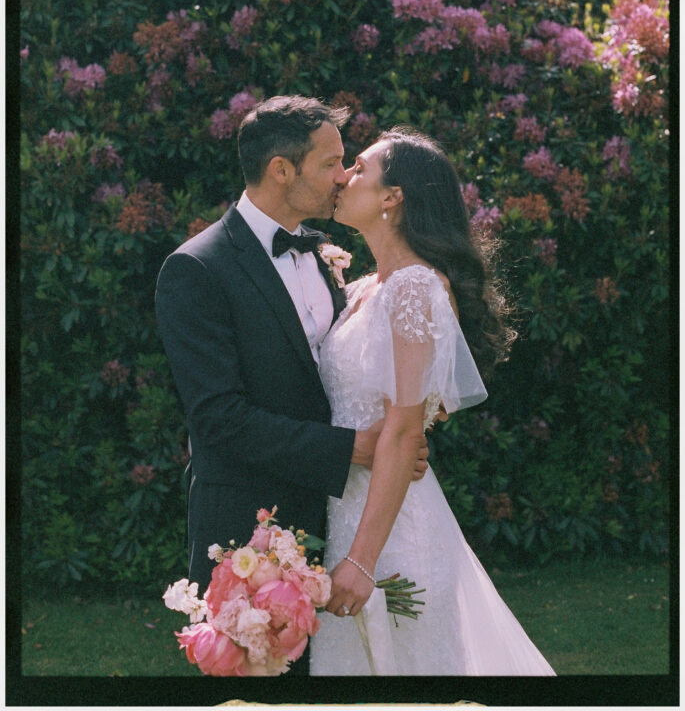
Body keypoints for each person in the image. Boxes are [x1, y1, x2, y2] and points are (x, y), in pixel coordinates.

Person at [155, 96, 429, 675]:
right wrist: (353, 447)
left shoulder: (326, 257)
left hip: (335, 516)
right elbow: (219, 421)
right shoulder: (197, 269)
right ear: (283, 170)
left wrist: (405, 431)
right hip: (245, 532)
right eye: (332, 162)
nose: (344, 174)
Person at [309, 127, 556, 676]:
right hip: (343, 515)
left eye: (360, 169)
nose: (344, 176)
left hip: (392, 537)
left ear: (393, 197)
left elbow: (404, 431)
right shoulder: (364, 289)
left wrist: (362, 560)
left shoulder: (416, 288)